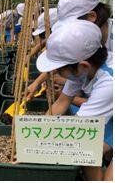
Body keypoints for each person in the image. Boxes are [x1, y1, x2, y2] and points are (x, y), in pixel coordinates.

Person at [36, 20, 112, 181]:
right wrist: (37, 133)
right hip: (110, 119)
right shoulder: (85, 67)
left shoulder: (109, 83)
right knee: (90, 154)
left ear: (83, 65)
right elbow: (61, 103)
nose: (56, 74)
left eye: (59, 70)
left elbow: (78, 130)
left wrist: (36, 148)